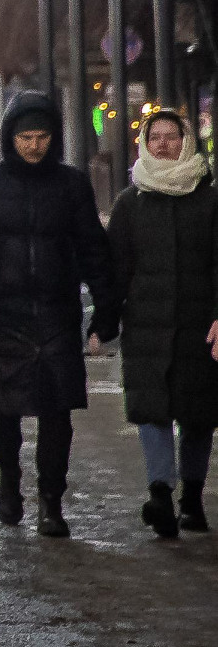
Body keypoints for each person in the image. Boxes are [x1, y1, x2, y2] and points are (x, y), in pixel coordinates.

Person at [0, 90, 115, 538]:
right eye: (25, 137)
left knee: (58, 414)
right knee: (4, 412)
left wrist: (107, 308)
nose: (34, 145)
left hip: (56, 313)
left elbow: (93, 248)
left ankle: (51, 501)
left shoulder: (71, 185)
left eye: (42, 136)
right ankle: (9, 479)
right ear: (9, 138)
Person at [107, 108, 218, 538]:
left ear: (186, 141)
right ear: (145, 143)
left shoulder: (209, 199)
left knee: (198, 414)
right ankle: (159, 493)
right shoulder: (130, 203)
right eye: (156, 137)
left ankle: (191, 497)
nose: (164, 144)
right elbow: (116, 268)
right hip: (146, 325)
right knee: (151, 410)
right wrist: (104, 318)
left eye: (172, 136)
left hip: (199, 326)